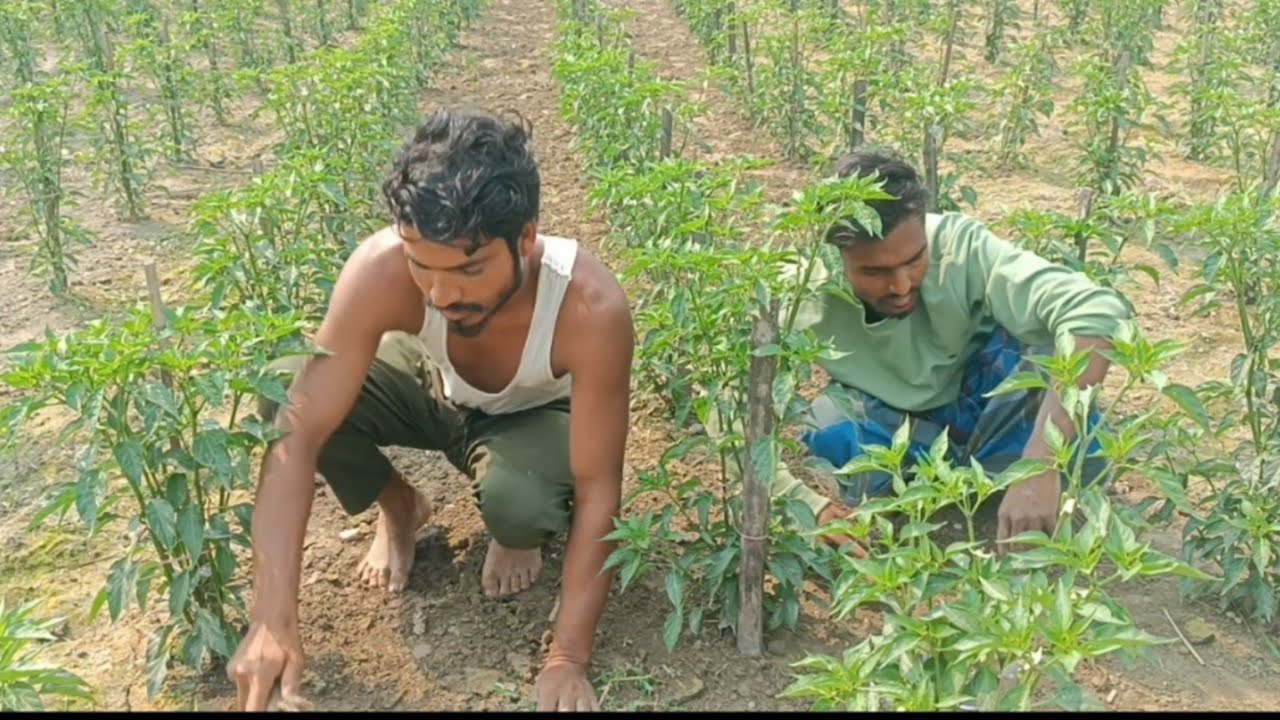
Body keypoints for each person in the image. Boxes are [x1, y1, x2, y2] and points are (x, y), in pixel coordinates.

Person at [225, 106, 634, 712]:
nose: (442, 294)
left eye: (470, 269)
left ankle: (516, 527)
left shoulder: (590, 309)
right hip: (432, 388)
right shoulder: (382, 270)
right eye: (423, 267)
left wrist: (567, 659)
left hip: (530, 415)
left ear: (525, 238)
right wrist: (270, 619)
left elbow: (600, 489)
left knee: (518, 507)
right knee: (289, 389)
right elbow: (299, 434)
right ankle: (400, 507)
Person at [774, 148, 1130, 552]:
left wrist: (1041, 463)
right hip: (893, 426)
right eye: (874, 272)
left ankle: (1010, 479)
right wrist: (806, 505)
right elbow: (730, 408)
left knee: (1065, 395)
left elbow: (1096, 313)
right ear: (835, 257)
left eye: (914, 260)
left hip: (987, 407)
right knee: (829, 423)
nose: (902, 286)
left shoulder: (960, 246)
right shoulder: (801, 287)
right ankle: (949, 489)